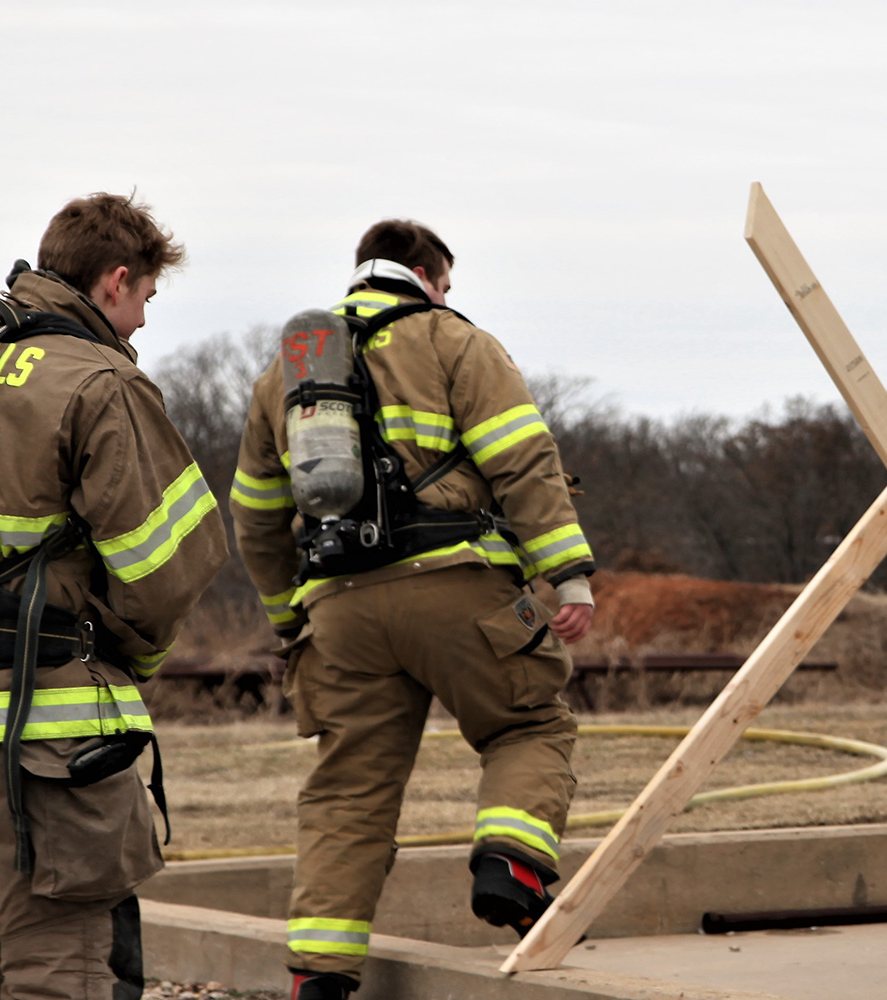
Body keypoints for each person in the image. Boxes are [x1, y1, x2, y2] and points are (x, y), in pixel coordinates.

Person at [0, 193, 225, 999]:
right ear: (115, 281)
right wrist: (135, 657)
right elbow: (171, 565)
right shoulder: (98, 382)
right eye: (145, 302)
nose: (141, 326)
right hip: (37, 733)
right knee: (59, 961)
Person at [228, 220, 596, 1000]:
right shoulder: (453, 341)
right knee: (529, 724)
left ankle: (318, 975)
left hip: (339, 610)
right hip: (458, 588)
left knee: (347, 790)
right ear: (427, 274)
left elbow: (256, 516)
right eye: (448, 285)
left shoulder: (285, 376)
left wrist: (289, 621)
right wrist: (569, 576)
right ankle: (512, 863)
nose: (449, 297)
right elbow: (524, 459)